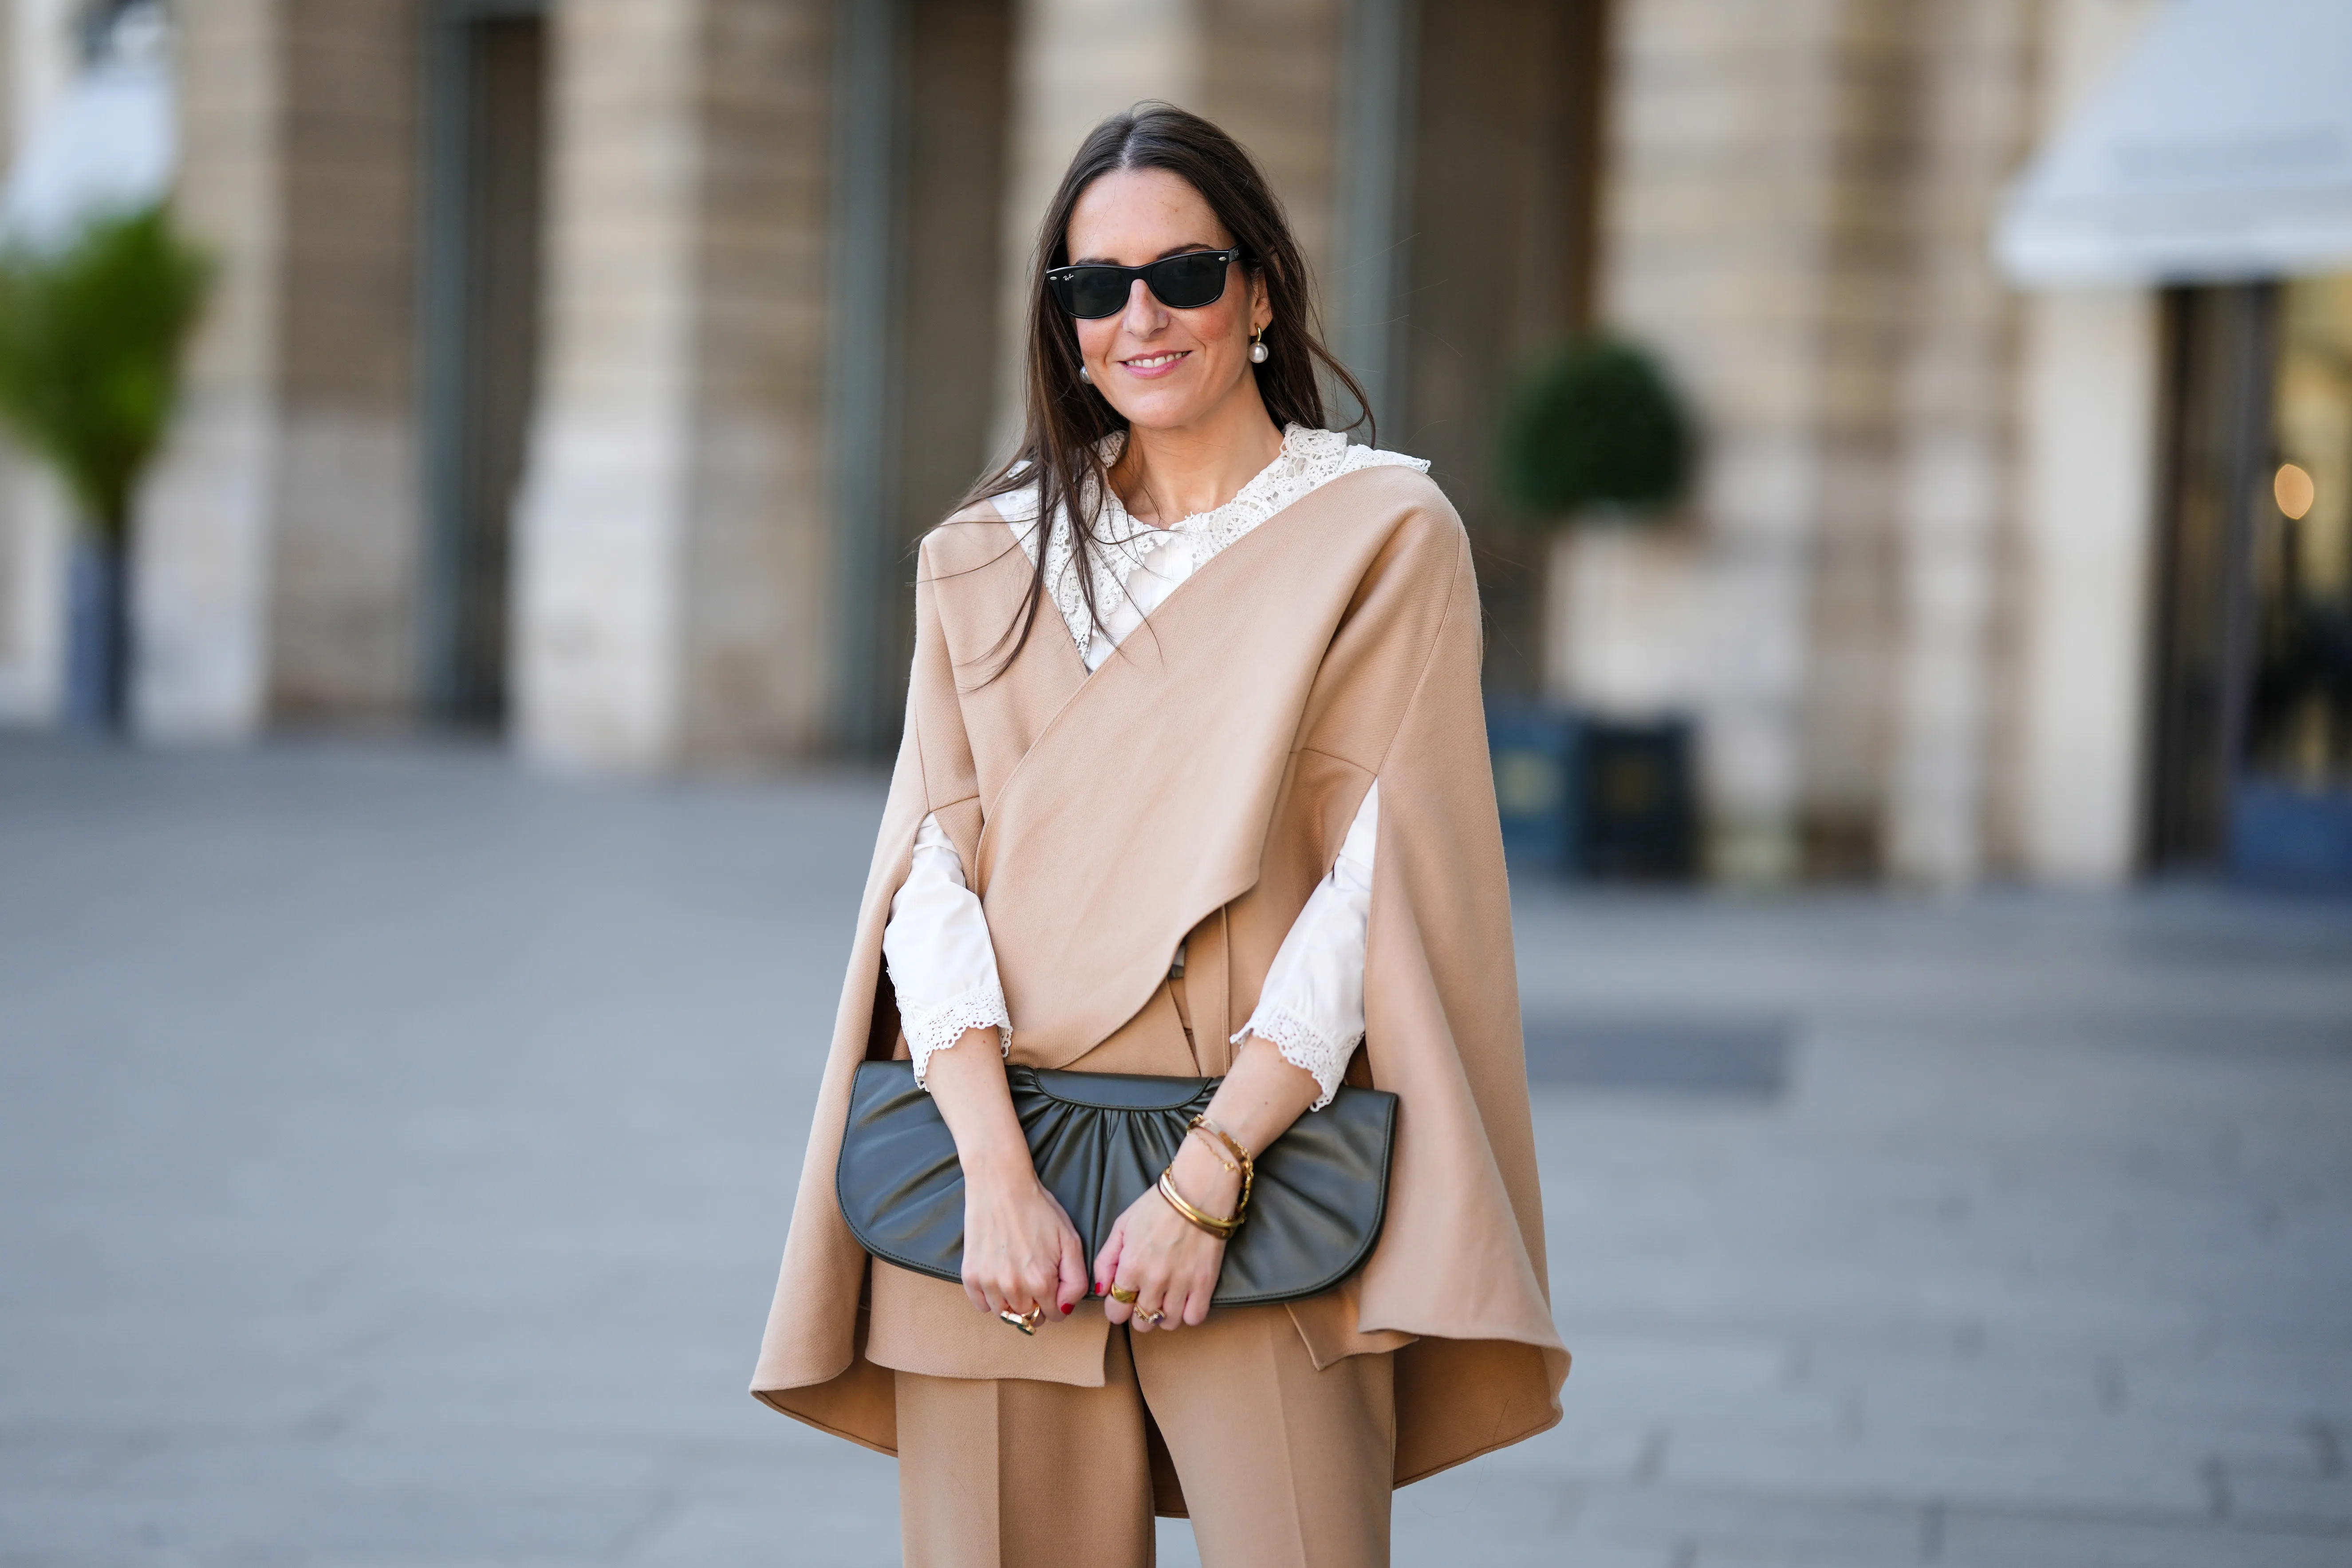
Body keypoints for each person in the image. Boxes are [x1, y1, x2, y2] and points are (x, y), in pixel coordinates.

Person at [751, 103, 1567, 1568]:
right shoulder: (988, 551)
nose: (1141, 316)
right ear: (1059, 322)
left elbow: (1377, 889)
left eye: (1183, 274)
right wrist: (994, 1172)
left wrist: (1212, 1172)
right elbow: (929, 877)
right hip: (989, 1188)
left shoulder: (1383, 534)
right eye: (1093, 285)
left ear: (1258, 292)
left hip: (1264, 1170)